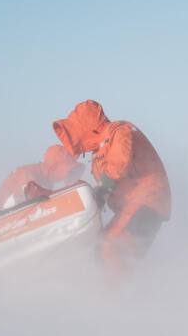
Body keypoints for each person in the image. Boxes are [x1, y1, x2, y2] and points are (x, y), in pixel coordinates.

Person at [53, 99, 171, 276]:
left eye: (74, 131)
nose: (73, 139)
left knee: (111, 246)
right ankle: (124, 286)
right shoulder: (97, 153)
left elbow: (119, 162)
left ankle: (116, 292)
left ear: (85, 126)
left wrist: (103, 189)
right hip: (132, 206)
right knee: (99, 246)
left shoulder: (118, 130)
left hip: (148, 199)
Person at [0, 144, 83, 215]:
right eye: (66, 172)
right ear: (53, 168)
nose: (65, 177)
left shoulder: (46, 183)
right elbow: (30, 199)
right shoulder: (25, 174)